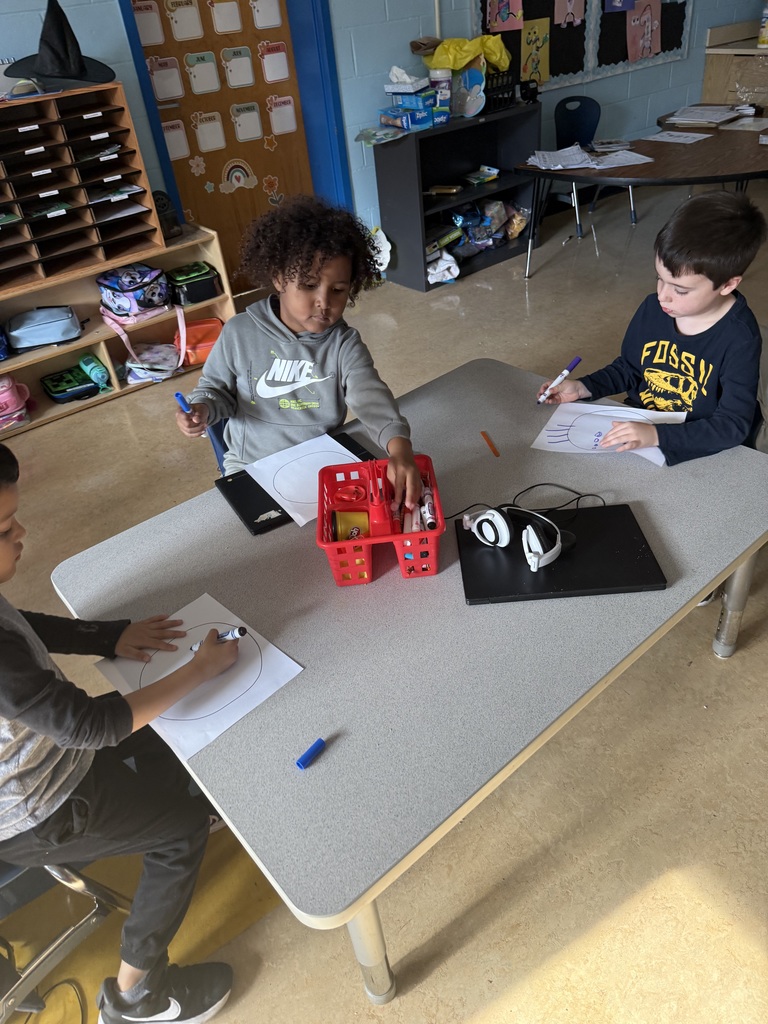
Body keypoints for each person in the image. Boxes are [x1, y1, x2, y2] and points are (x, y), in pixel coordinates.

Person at [0, 442, 239, 1024]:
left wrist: (107, 637)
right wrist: (197, 669)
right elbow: (91, 726)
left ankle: (170, 803)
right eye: (5, 528)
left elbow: (18, 623)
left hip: (48, 752)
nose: (22, 531)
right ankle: (136, 997)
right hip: (39, 805)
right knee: (180, 833)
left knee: (165, 727)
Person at [175, 194, 422, 508]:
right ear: (279, 279)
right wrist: (202, 409)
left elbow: (371, 398)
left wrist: (400, 450)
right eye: (308, 285)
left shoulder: (344, 344)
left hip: (321, 463)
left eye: (338, 290)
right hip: (250, 466)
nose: (324, 301)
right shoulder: (239, 333)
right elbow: (215, 391)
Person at [537, 190, 767, 465]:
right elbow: (630, 368)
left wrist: (657, 435)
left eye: (680, 290)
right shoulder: (653, 308)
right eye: (659, 279)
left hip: (695, 447)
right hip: (639, 430)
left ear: (728, 284)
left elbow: (732, 426)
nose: (662, 296)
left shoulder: (740, 337)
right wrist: (584, 387)